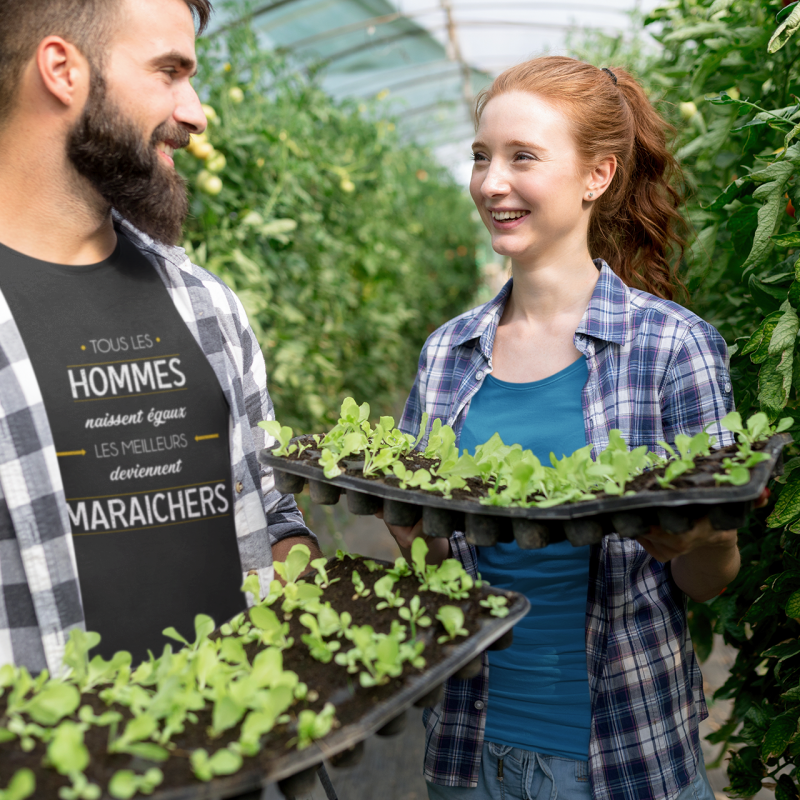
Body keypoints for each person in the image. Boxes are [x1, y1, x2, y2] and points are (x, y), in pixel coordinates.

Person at [382, 58, 737, 800]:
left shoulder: (673, 347)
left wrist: (707, 535)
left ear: (597, 176)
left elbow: (706, 583)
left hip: (622, 758)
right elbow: (440, 558)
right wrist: (411, 525)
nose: (491, 182)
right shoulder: (448, 353)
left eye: (523, 157)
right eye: (481, 157)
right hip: (469, 749)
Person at [0, 0, 320, 675]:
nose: (197, 112)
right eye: (169, 72)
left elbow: (273, 514)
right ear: (63, 69)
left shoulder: (208, 307)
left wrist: (303, 583)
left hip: (232, 762)